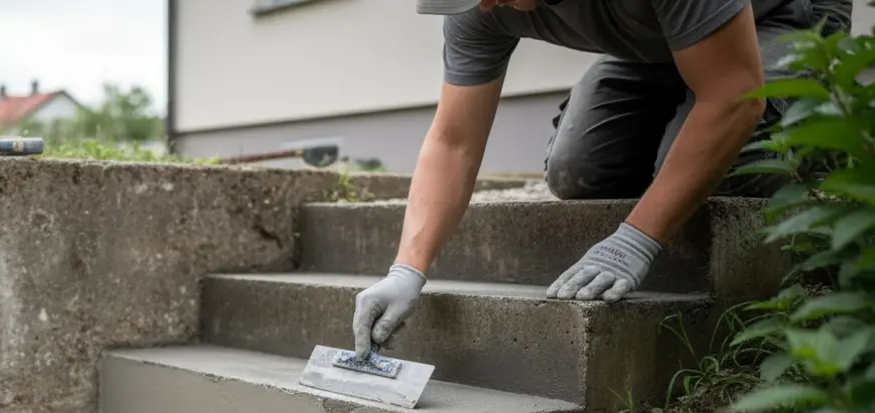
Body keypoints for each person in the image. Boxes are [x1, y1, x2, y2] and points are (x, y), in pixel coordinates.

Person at [351, 0, 853, 361]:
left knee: (737, 158)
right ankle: (687, 87)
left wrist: (636, 240)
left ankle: (821, 128)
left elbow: (733, 95)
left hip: (785, 15)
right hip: (658, 36)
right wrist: (406, 270)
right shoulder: (476, 7)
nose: (487, 5)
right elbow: (453, 140)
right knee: (580, 170)